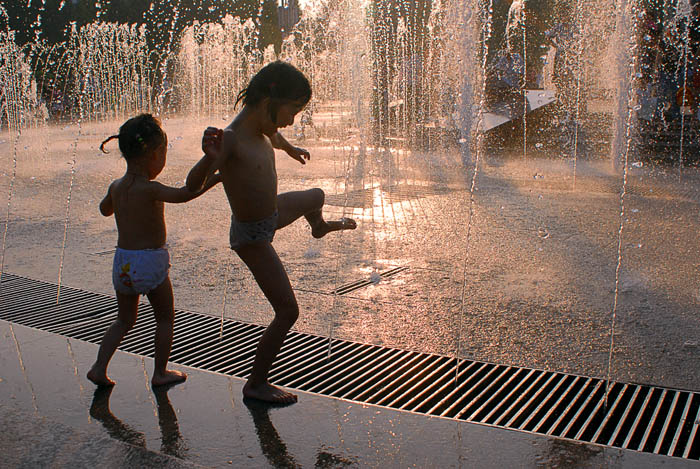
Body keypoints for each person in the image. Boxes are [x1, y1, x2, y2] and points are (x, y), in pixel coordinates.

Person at [186, 61, 357, 404]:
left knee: (317, 196)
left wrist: (290, 148)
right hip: (252, 237)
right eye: (292, 109)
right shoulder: (231, 139)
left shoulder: (263, 129)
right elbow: (191, 187)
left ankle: (318, 226)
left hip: (273, 213)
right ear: (269, 99)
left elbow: (276, 136)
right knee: (287, 311)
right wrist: (209, 159)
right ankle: (256, 383)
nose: (291, 120)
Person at [87, 113, 221, 388]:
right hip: (150, 262)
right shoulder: (150, 189)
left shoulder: (117, 186)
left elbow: (104, 210)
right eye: (164, 153)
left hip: (122, 263)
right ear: (155, 154)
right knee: (164, 318)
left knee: (124, 320)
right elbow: (185, 194)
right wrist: (214, 179)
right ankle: (160, 372)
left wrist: (117, 203)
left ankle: (99, 368)